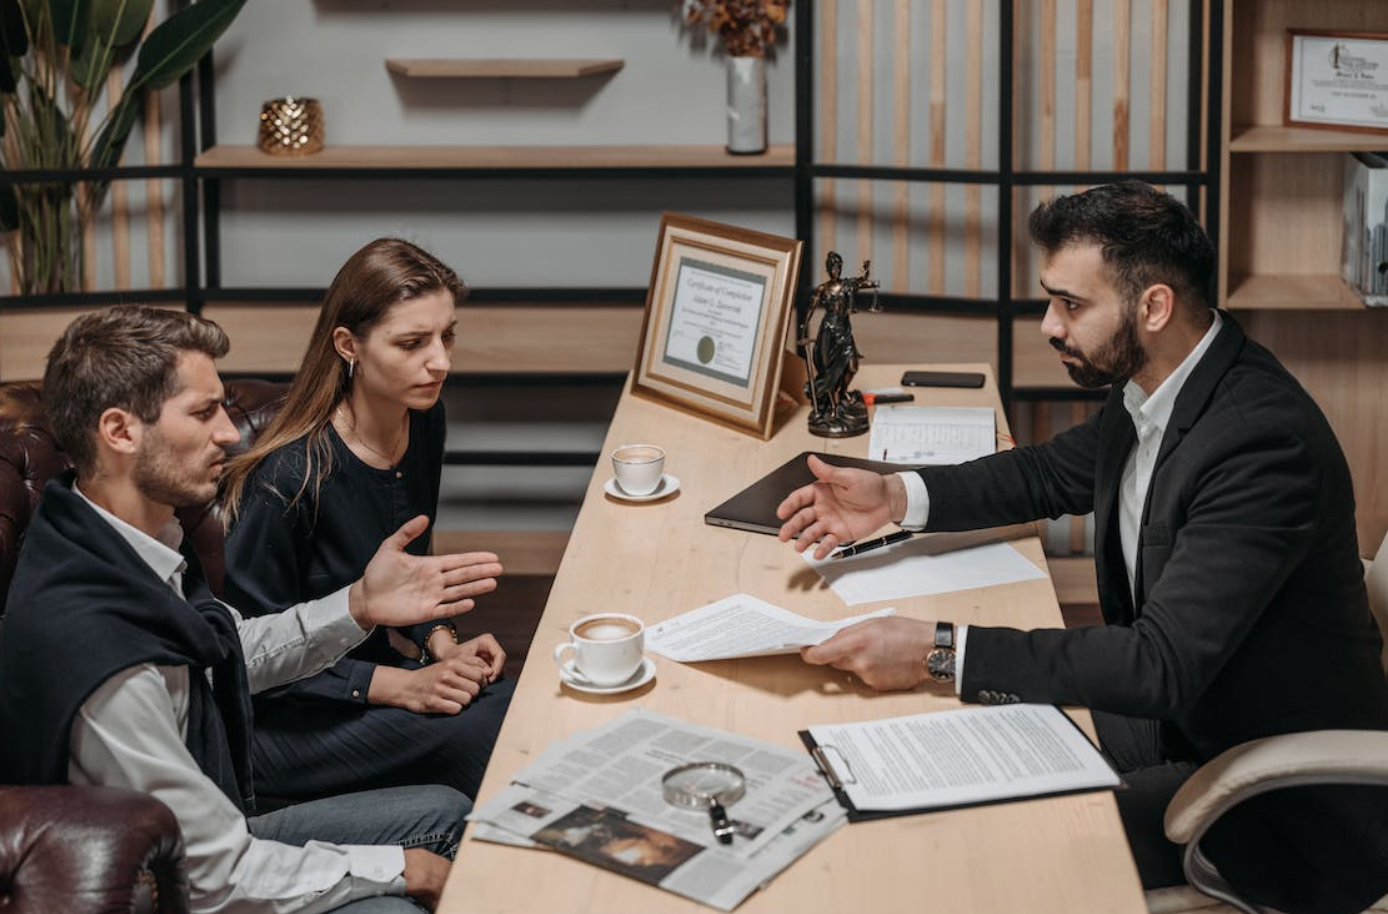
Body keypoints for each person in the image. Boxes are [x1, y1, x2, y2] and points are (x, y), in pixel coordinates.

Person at [775, 182, 1388, 914]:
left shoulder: (1261, 442)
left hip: (1281, 801)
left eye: (1071, 304)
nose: (1047, 325)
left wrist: (937, 647)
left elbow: (1156, 663)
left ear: (1153, 307)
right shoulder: (1165, 384)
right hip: (1195, 712)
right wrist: (896, 498)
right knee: (948, 737)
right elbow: (1045, 472)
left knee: (985, 843)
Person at [0, 305, 503, 913]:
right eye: (203, 412)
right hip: (166, 886)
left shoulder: (113, 535)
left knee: (449, 813)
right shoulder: (104, 662)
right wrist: (405, 869)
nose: (230, 434)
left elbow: (226, 648)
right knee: (399, 895)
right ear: (120, 431)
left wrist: (360, 605)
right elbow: (213, 876)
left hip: (211, 833)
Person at [220, 238, 513, 802]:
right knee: (492, 730)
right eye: (412, 343)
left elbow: (407, 576)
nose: (441, 361)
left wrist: (444, 648)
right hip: (280, 728)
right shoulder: (288, 476)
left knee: (510, 704)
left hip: (371, 690)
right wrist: (403, 686)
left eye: (446, 335)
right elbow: (246, 659)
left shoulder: (423, 418)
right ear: (347, 345)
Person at [797, 252, 878, 435]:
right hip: (828, 333)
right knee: (831, 371)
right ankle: (833, 407)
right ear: (828, 269)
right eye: (833, 267)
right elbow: (810, 309)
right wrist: (803, 329)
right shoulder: (823, 289)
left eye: (839, 267)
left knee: (852, 366)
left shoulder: (847, 285)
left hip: (844, 331)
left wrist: (866, 271)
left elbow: (862, 281)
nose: (836, 270)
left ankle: (842, 394)